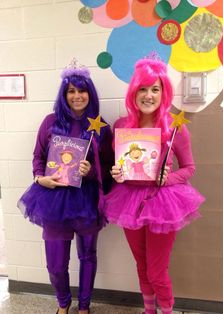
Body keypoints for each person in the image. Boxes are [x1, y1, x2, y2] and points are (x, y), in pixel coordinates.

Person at [103, 56, 205, 314]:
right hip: (129, 200)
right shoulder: (122, 126)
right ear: (134, 92)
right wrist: (117, 172)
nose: (148, 95)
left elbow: (190, 168)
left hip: (163, 203)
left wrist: (166, 178)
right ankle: (149, 310)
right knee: (141, 265)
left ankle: (167, 311)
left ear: (163, 93)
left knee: (157, 270)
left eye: (155, 89)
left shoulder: (175, 128)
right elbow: (123, 167)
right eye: (143, 89)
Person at [17, 59, 114, 314]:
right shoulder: (50, 122)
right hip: (54, 199)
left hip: (87, 200)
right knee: (56, 265)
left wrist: (91, 171)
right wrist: (40, 178)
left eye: (82, 90)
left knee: (87, 256)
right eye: (71, 91)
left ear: (89, 93)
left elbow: (109, 166)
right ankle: (63, 303)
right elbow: (38, 156)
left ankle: (84, 306)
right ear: (64, 94)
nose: (77, 96)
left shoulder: (100, 126)